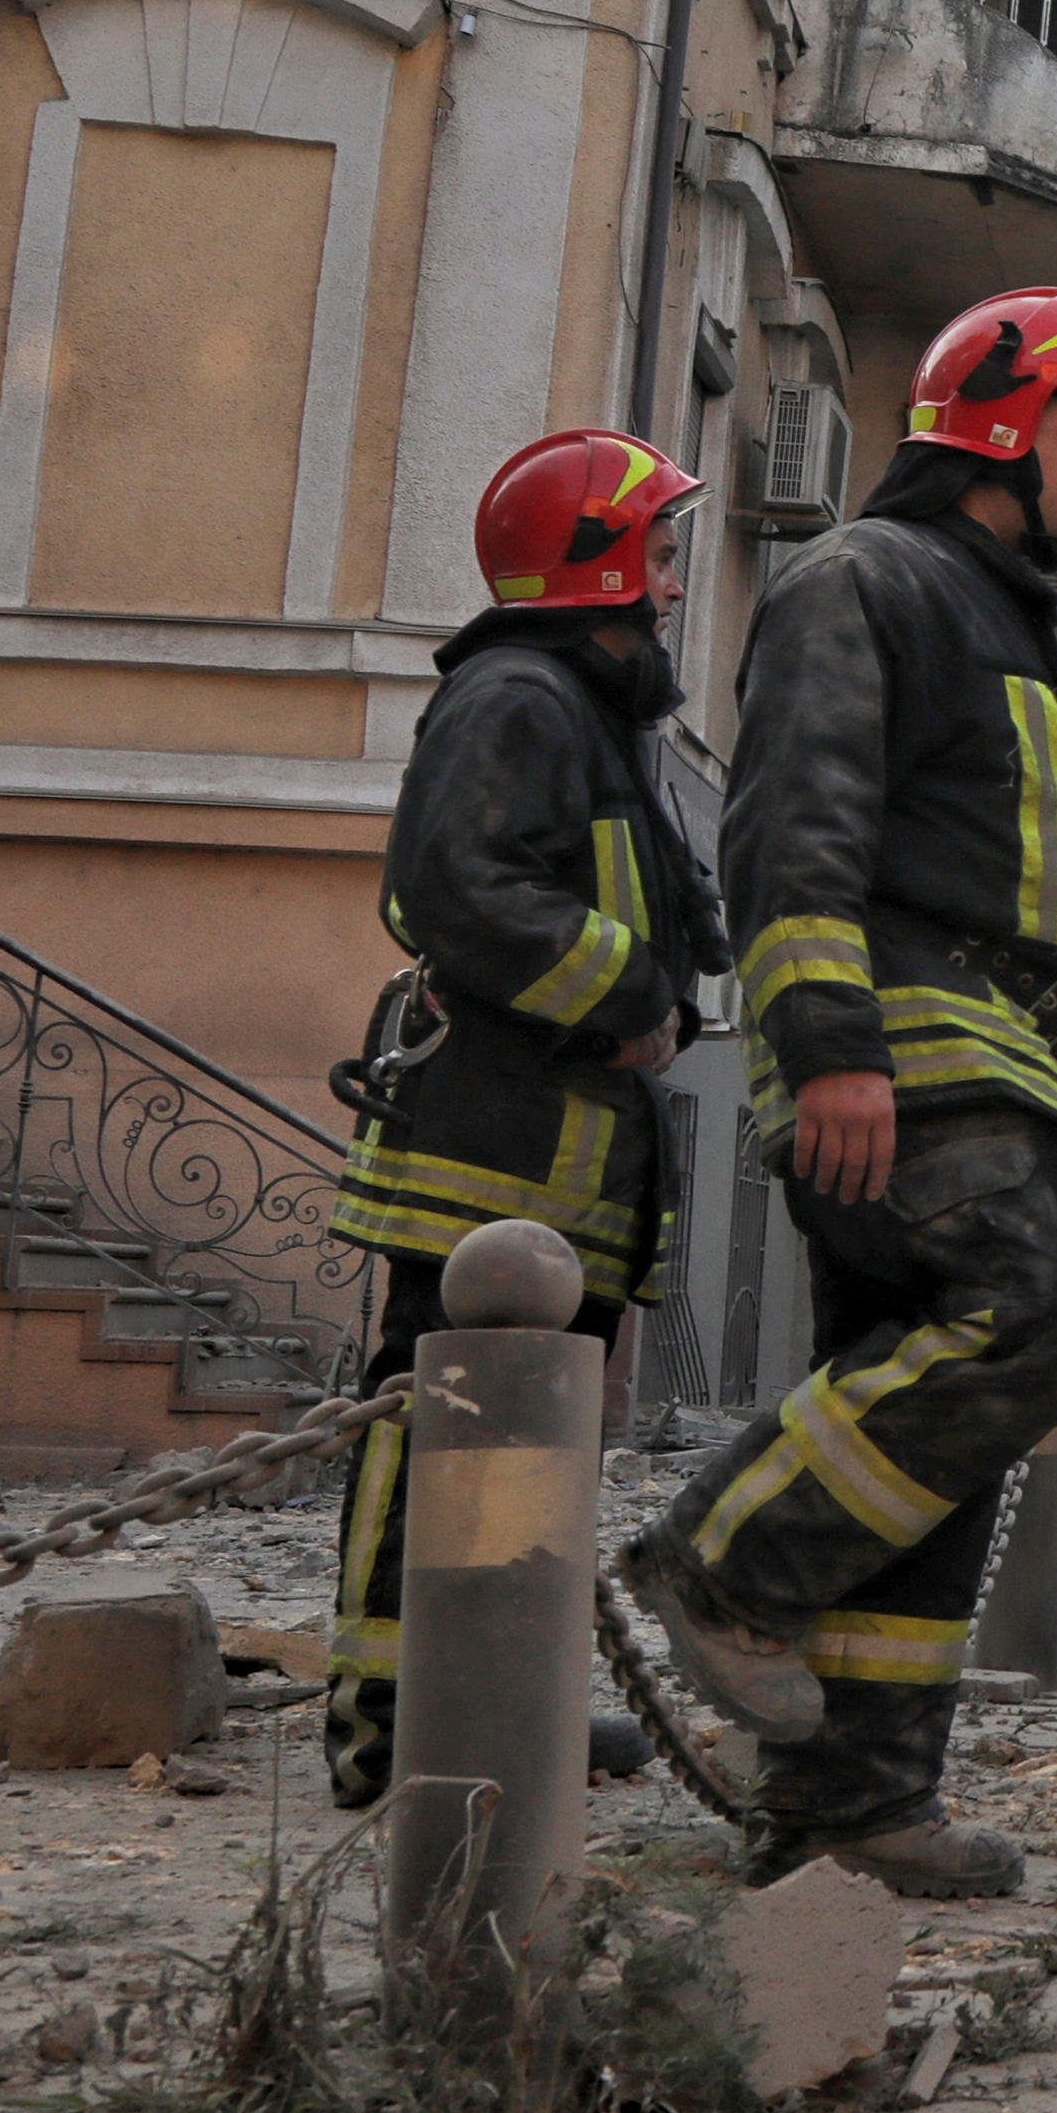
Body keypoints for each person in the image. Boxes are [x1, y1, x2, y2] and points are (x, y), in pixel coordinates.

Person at [623, 286, 1057, 1895]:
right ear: (994, 434)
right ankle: (724, 1563)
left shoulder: (991, 609)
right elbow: (797, 828)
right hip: (914, 1042)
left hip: (987, 1045)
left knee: (927, 1434)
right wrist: (833, 1047)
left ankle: (851, 1804)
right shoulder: (868, 581)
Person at [321, 428, 727, 1809]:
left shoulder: (590, 715)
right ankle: (385, 1728)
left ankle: (499, 1704)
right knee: (433, 1425)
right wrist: (623, 996)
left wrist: (680, 973)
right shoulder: (517, 697)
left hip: (558, 1158)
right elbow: (457, 893)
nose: (673, 586)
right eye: (660, 555)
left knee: (528, 1451)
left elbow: (622, 899)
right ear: (598, 559)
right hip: (487, 1153)